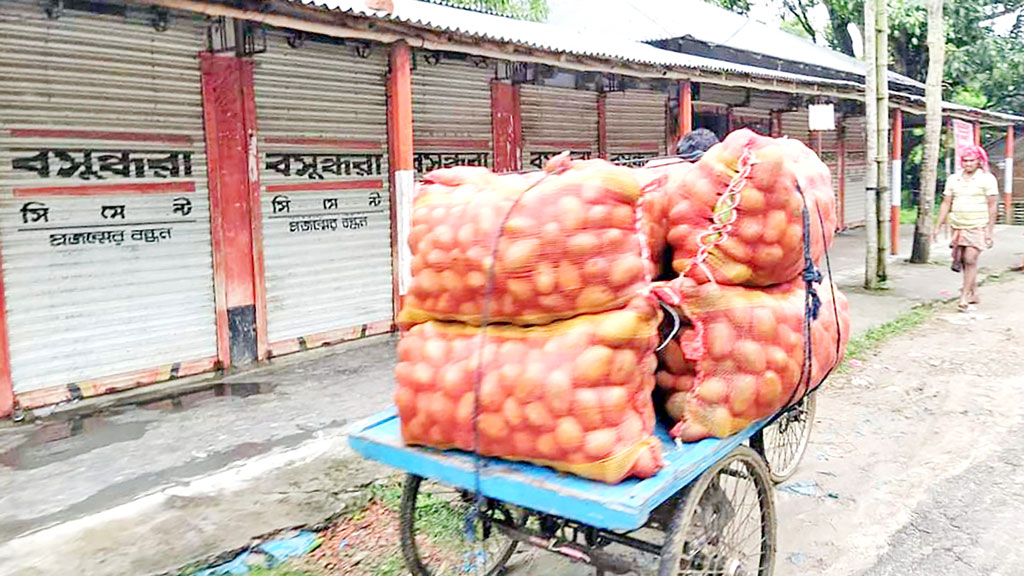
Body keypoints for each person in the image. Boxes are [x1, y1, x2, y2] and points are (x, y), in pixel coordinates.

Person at [934, 145, 999, 312]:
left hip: (978, 225)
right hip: (958, 225)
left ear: (979, 162)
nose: (968, 163)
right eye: (965, 160)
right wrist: (938, 226)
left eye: (971, 160)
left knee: (970, 258)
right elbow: (946, 203)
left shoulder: (987, 179)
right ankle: (973, 290)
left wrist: (989, 231)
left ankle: (964, 297)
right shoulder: (953, 179)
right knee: (962, 259)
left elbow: (992, 205)